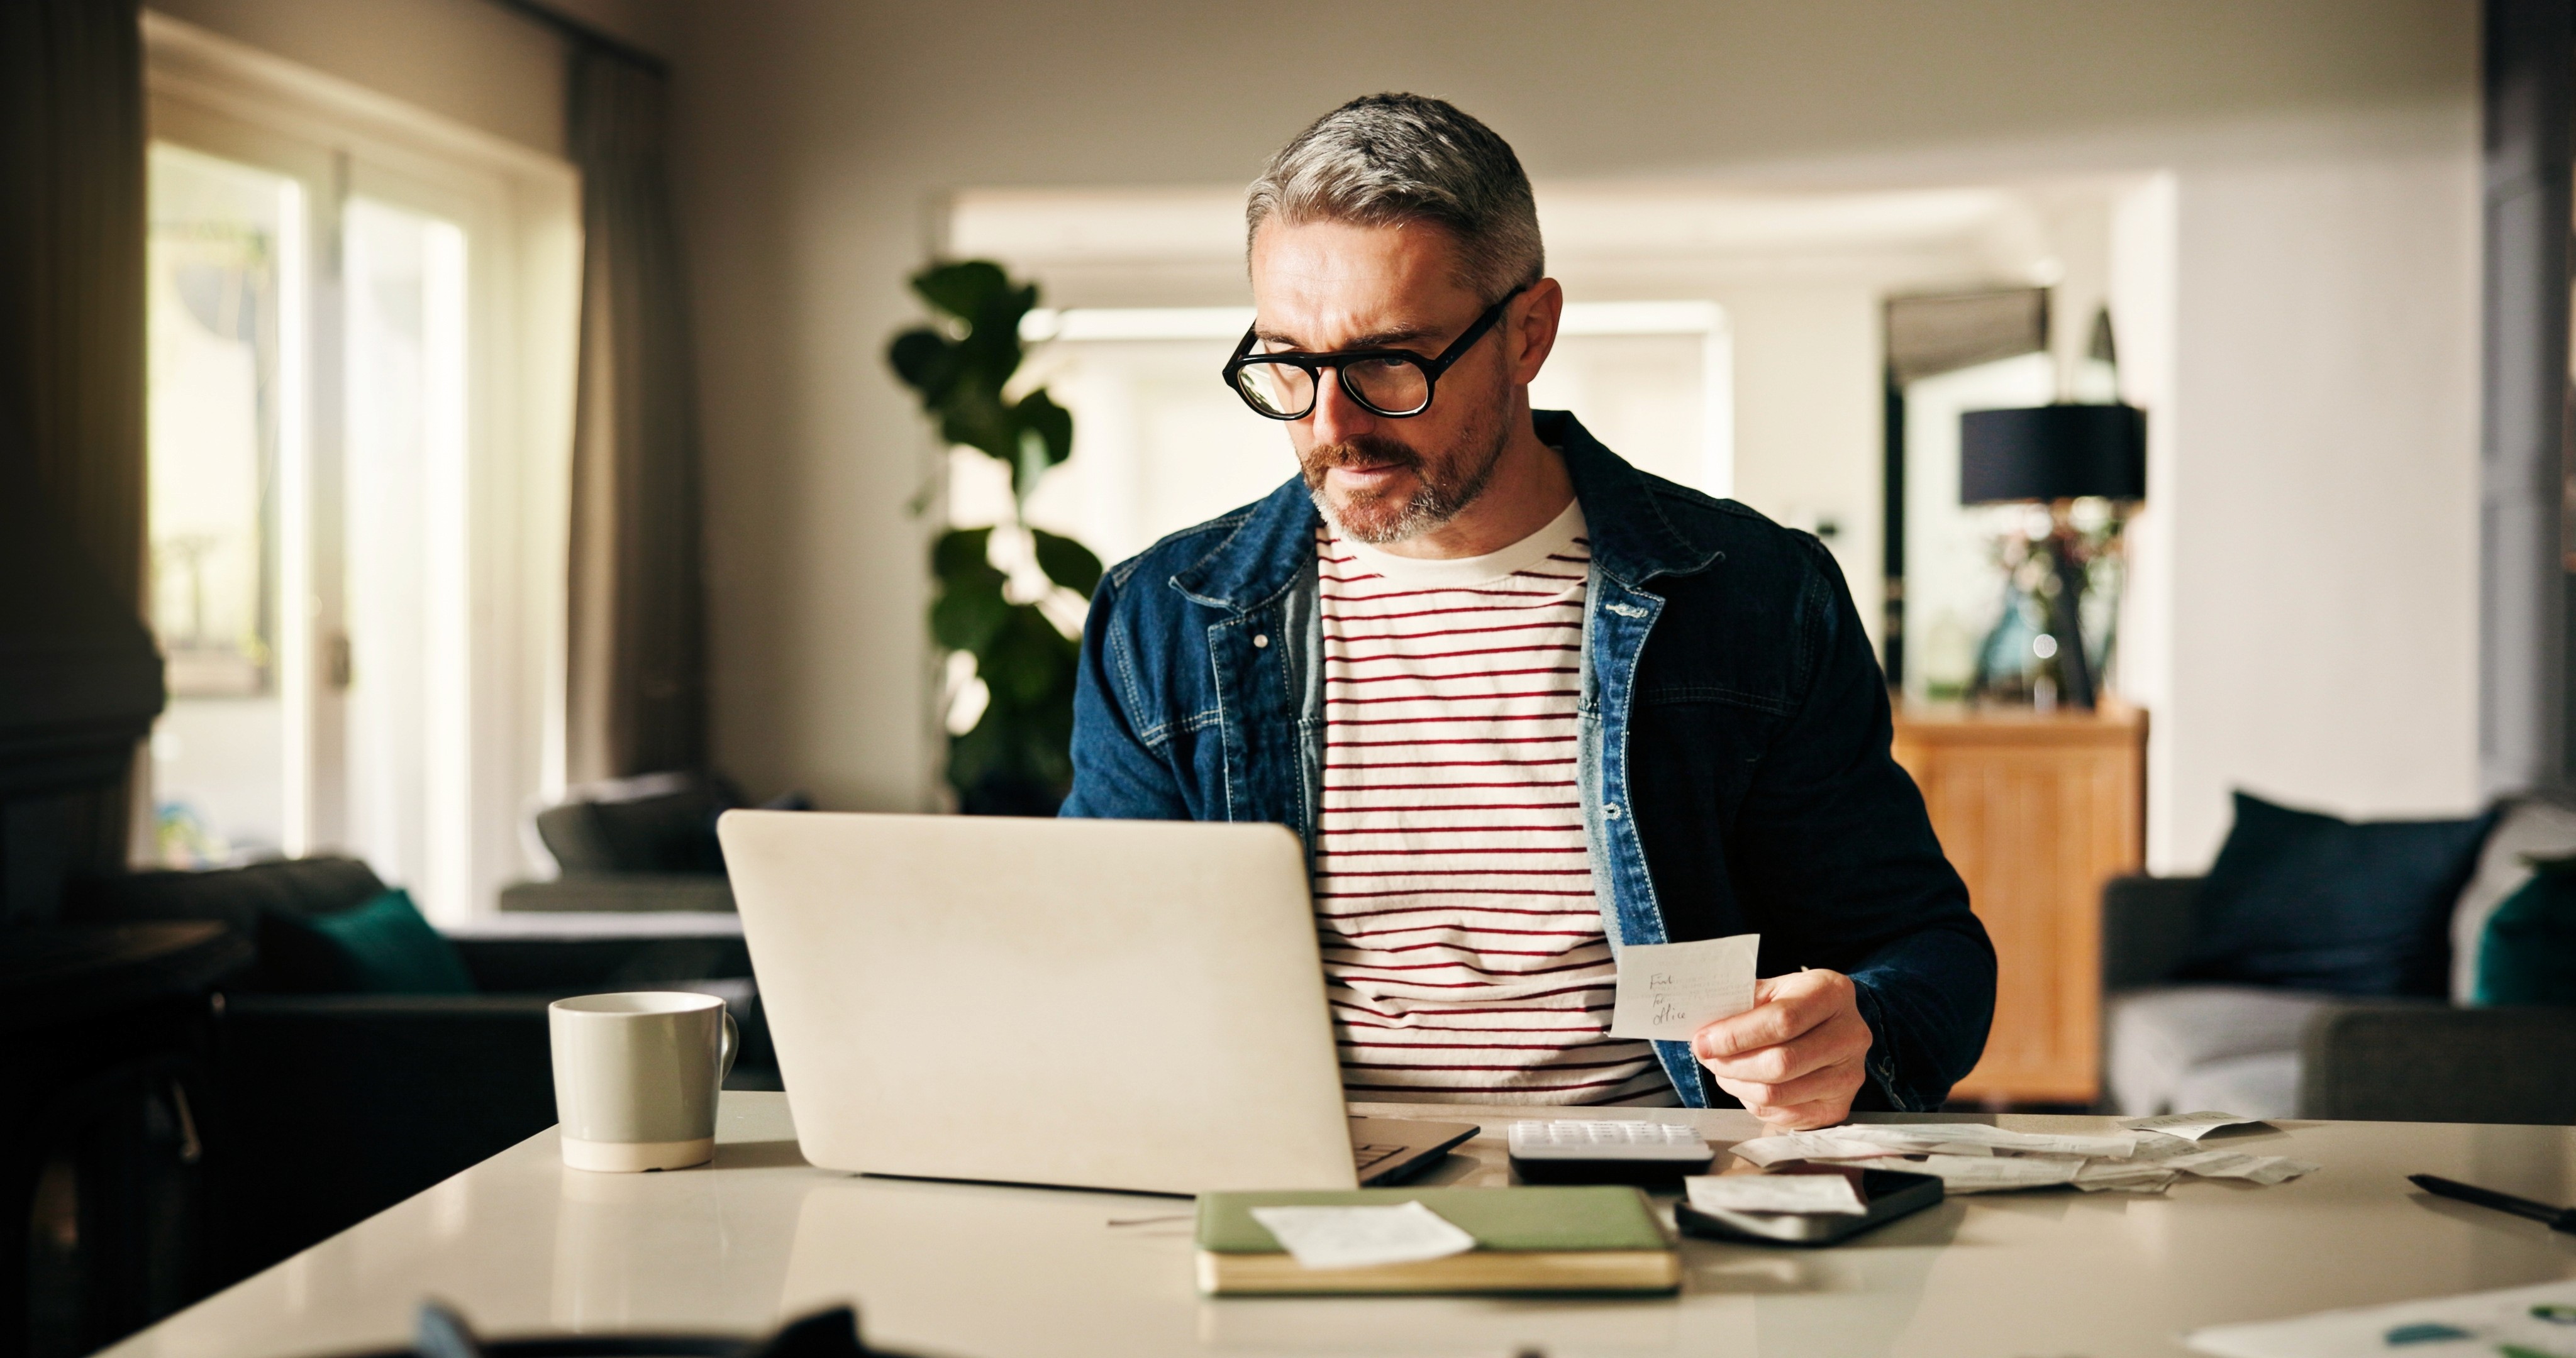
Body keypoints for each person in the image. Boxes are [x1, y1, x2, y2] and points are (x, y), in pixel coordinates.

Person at [1061, 93, 1992, 1129]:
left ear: (1529, 332)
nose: (1332, 424)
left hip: (1662, 1188)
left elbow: (1931, 955)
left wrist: (1858, 1029)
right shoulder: (1167, 621)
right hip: (1301, 1192)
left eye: (1389, 362)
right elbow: (1100, 974)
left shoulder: (1755, 600)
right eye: (1288, 360)